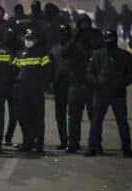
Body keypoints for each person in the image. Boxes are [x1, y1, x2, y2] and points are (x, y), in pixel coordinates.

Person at [85, 30, 132, 157]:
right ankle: (93, 147)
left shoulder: (125, 56)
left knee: (121, 122)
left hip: (117, 94)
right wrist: (96, 83)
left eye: (110, 39)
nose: (108, 42)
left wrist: (122, 83)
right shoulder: (97, 55)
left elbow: (130, 74)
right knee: (96, 121)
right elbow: (89, 72)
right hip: (101, 93)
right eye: (107, 39)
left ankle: (126, 148)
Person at [64, 15, 104, 153]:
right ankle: (73, 143)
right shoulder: (75, 38)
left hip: (91, 84)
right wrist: (75, 38)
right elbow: (65, 53)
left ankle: (95, 144)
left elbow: (100, 52)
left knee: (94, 118)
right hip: (76, 82)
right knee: (74, 117)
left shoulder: (96, 35)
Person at [13, 29, 51, 153]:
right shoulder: (20, 53)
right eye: (27, 39)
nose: (28, 41)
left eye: (31, 39)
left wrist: (44, 86)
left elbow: (48, 70)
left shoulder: (42, 53)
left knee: (38, 117)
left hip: (36, 90)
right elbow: (14, 70)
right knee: (23, 116)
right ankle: (27, 142)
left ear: (36, 40)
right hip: (22, 90)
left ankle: (38, 144)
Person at [50, 24, 72, 150]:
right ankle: (64, 141)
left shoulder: (74, 48)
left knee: (73, 115)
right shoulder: (54, 49)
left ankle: (72, 141)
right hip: (59, 84)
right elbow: (51, 67)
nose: (63, 35)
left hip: (72, 84)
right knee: (60, 115)